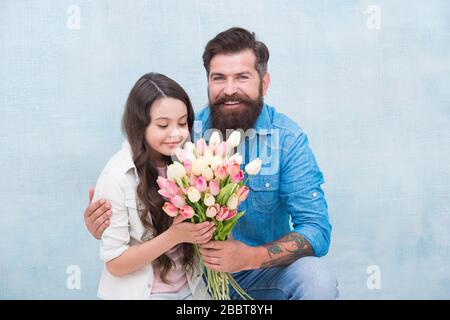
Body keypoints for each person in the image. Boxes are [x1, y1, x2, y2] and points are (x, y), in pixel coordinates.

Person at [85, 28, 338, 300]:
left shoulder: (287, 140)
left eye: (242, 77)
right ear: (208, 82)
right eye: (219, 78)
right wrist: (106, 221)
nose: (230, 89)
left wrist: (250, 257)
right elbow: (138, 186)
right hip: (195, 280)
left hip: (263, 273)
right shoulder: (184, 133)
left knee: (316, 278)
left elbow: (316, 228)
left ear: (263, 83)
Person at [92, 72, 213, 299]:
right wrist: (175, 236)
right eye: (163, 125)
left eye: (182, 122)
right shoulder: (117, 176)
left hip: (192, 290)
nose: (176, 134)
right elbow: (115, 264)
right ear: (140, 125)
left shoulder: (192, 163)